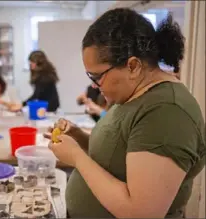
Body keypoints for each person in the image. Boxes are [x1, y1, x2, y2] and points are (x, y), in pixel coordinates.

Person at [45, 9, 205, 218]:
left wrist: (76, 157)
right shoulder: (132, 93)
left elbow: (141, 212)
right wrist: (80, 138)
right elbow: (119, 153)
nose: (94, 85)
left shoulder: (168, 112)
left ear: (133, 66)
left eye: (97, 76)